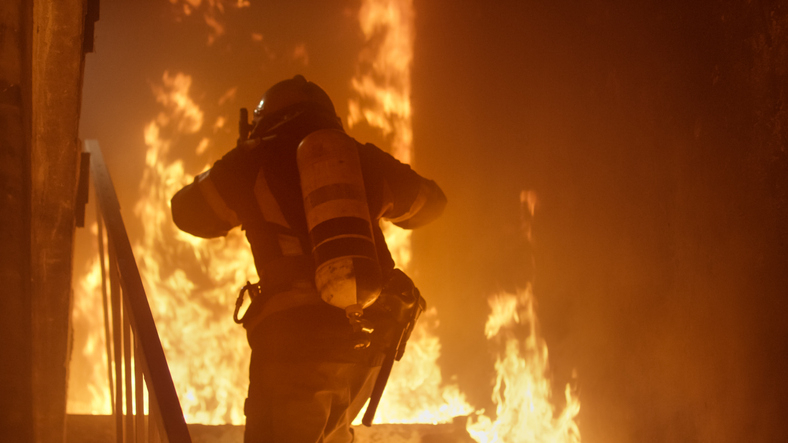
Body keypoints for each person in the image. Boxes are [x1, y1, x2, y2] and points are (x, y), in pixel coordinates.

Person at [170, 75, 447, 442]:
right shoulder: (358, 157)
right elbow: (431, 204)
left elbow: (187, 212)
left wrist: (236, 160)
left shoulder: (252, 161)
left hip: (294, 348)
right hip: (365, 344)